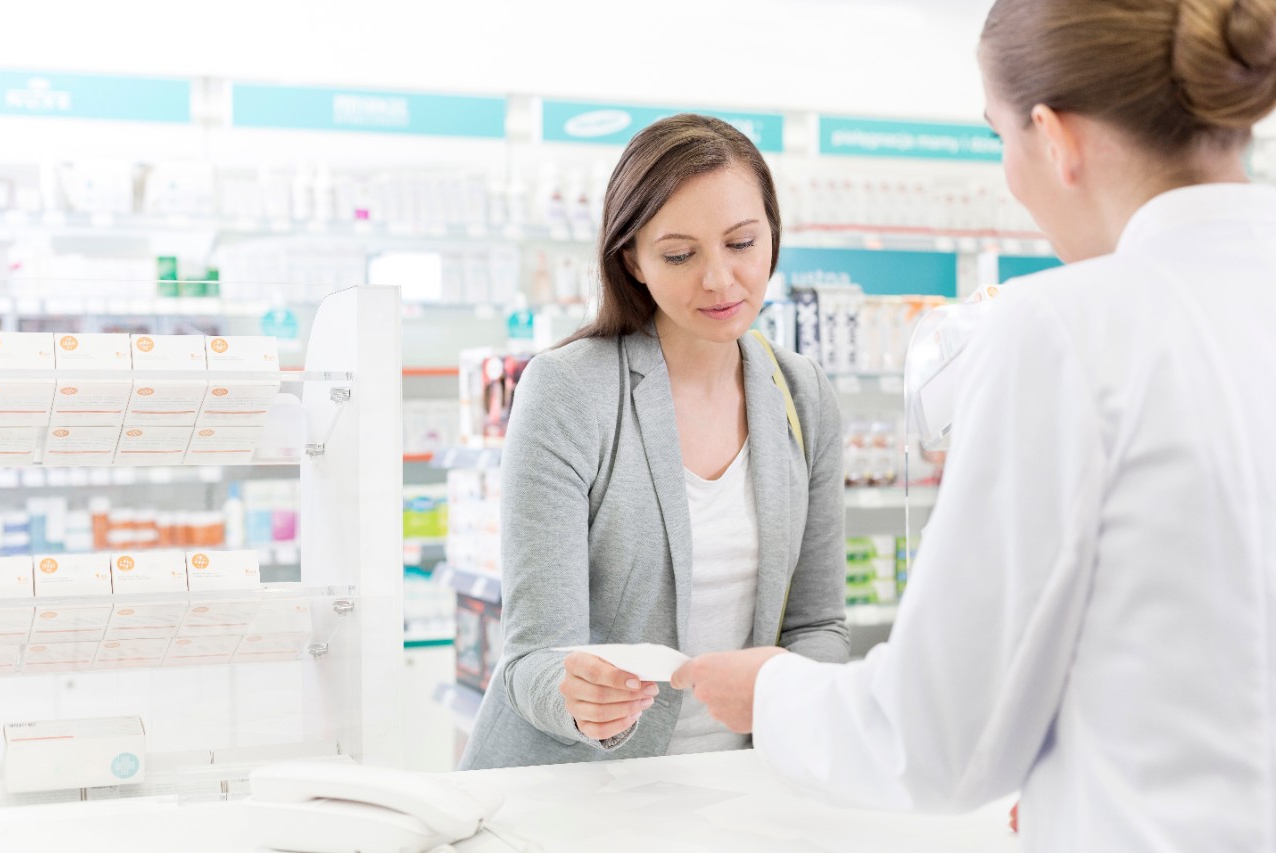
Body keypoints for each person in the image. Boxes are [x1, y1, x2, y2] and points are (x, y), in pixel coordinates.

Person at [672, 1, 1276, 850]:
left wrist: (770, 690)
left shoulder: (1066, 326)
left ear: (1054, 138)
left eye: (1000, 140)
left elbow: (936, 738)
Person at [460, 114, 851, 770]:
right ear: (632, 261)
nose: (721, 280)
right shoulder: (568, 390)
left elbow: (820, 626)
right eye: (680, 254)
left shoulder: (802, 394)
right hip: (580, 790)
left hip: (744, 784)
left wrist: (787, 689)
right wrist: (577, 695)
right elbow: (531, 659)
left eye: (742, 243)